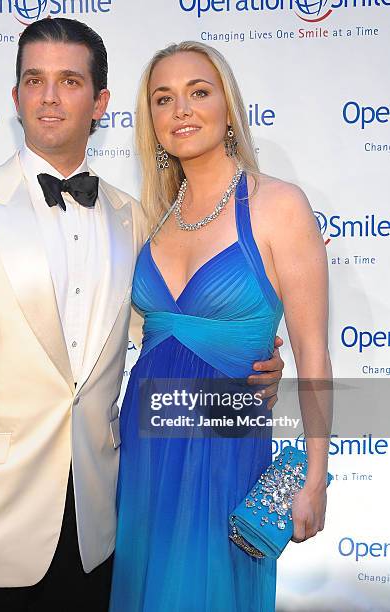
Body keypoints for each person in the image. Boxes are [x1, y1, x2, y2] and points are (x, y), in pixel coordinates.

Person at [0, 20, 284, 611]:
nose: (49, 97)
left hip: (107, 522)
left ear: (100, 102)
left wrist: (250, 363)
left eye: (69, 81)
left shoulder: (137, 218)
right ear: (14, 97)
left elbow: (172, 332)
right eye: (34, 80)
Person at [110, 42, 331, 612]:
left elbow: (313, 355)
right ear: (151, 121)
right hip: (143, 448)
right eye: (164, 99)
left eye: (198, 92)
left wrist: (312, 478)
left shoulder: (279, 205)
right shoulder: (150, 217)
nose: (181, 109)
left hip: (225, 453)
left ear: (228, 107)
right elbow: (154, 338)